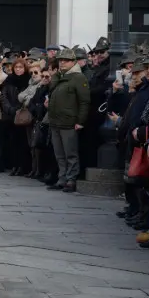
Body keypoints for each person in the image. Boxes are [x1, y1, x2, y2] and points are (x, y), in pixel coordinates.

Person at [47, 49, 91, 193]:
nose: (62, 62)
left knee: (70, 153)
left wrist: (80, 121)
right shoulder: (60, 76)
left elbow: (84, 101)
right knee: (59, 154)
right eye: (60, 60)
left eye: (65, 60)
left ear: (73, 62)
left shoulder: (79, 77)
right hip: (55, 121)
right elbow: (51, 91)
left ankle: (71, 180)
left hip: (69, 121)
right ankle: (62, 178)